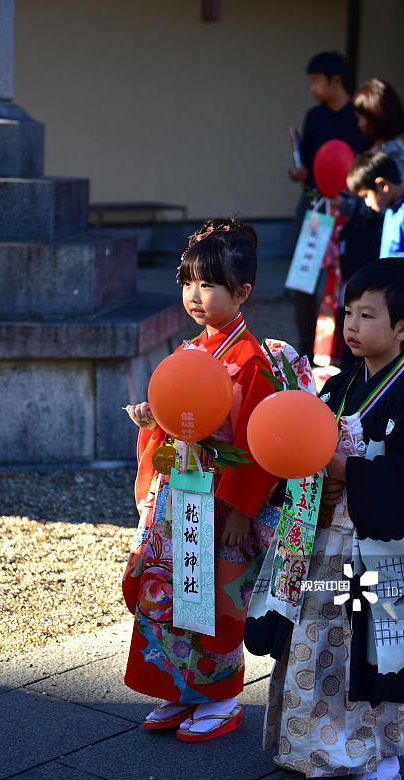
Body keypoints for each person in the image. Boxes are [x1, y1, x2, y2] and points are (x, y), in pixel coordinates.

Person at [260, 257, 404, 780]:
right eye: (348, 313)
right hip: (329, 541)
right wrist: (316, 481)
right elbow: (307, 451)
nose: (351, 325)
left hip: (381, 553)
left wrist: (348, 471)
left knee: (374, 656)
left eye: (367, 315)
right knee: (320, 643)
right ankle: (318, 747)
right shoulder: (340, 387)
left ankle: (379, 762)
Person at [122, 217, 281, 742]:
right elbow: (177, 420)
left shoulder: (251, 361)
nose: (195, 295)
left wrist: (240, 508)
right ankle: (180, 688)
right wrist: (154, 422)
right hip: (183, 494)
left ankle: (223, 695)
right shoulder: (190, 352)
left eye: (209, 284)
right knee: (173, 587)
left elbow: (259, 443)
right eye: (189, 281)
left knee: (216, 595)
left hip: (221, 495)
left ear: (243, 293)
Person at [289, 51, 370, 363]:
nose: (312, 88)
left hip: (352, 210)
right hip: (315, 207)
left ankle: (347, 352)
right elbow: (306, 164)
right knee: (304, 280)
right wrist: (296, 171)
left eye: (316, 81)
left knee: (351, 280)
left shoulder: (361, 118)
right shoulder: (315, 116)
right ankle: (305, 352)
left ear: (336, 80)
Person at [337, 79, 404, 370]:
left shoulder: (396, 153)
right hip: (362, 246)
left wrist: (345, 203)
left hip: (375, 247)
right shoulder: (377, 147)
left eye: (361, 116)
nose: (357, 123)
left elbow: (387, 204)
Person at [346, 151, 404, 375]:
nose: (367, 203)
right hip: (393, 299)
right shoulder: (393, 210)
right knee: (389, 358)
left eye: (367, 196)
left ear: (382, 186)